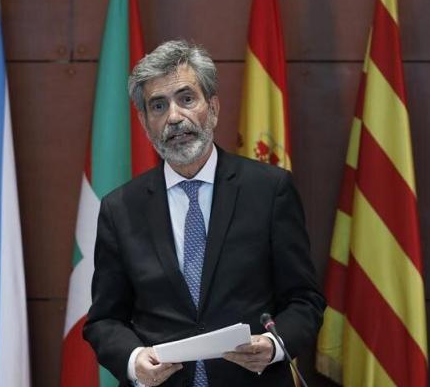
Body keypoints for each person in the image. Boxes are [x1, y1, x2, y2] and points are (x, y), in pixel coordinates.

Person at [83, 40, 325, 387]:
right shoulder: (119, 208)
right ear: (145, 122)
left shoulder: (270, 190)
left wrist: (274, 345)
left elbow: (304, 300)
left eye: (186, 99)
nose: (174, 117)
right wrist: (135, 361)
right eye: (158, 106)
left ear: (212, 108)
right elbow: (105, 320)